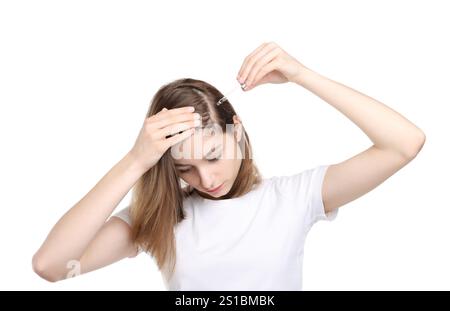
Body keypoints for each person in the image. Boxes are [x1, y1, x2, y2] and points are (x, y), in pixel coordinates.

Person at [32, 42, 426, 290]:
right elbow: (51, 266)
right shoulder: (159, 219)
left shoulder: (293, 198)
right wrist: (136, 160)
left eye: (213, 156)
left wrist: (302, 75)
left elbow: (404, 144)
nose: (206, 179)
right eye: (184, 169)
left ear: (236, 132)